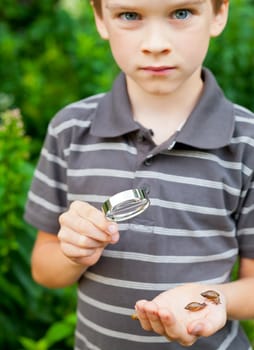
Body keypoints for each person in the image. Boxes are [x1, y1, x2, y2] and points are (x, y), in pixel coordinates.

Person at [24, 0, 254, 348]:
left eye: (181, 13)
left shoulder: (247, 141)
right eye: (130, 15)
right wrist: (73, 254)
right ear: (101, 18)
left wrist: (212, 297)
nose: (156, 43)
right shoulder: (70, 129)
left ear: (219, 13)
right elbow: (45, 270)